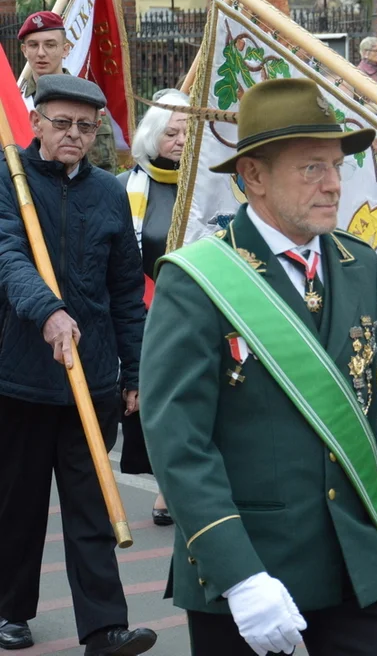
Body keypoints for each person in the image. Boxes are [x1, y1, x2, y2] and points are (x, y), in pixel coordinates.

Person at [139, 79, 377, 655]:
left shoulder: (357, 263)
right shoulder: (197, 280)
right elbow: (179, 441)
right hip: (254, 569)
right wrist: (237, 573)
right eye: (312, 167)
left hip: (356, 568)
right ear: (254, 176)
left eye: (337, 166)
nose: (334, 184)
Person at [0, 75, 155, 654]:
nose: (74, 135)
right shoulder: (7, 177)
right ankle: (10, 609)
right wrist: (48, 311)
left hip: (91, 381)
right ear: (36, 122)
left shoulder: (109, 193)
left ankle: (104, 627)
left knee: (92, 509)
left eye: (87, 127)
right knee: (17, 504)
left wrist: (133, 371)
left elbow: (124, 294)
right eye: (62, 123)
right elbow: (7, 252)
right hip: (21, 377)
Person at [117, 88, 189, 527]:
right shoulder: (125, 186)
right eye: (171, 132)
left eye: (187, 131)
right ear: (152, 136)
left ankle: (175, 488)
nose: (180, 140)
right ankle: (166, 479)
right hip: (146, 316)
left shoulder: (211, 188)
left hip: (195, 313)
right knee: (154, 405)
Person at [18, 11, 117, 173]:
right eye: (33, 45)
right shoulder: (15, 101)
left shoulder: (86, 100)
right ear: (24, 50)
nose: (41, 53)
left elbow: (103, 169)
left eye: (50, 45)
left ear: (65, 49)